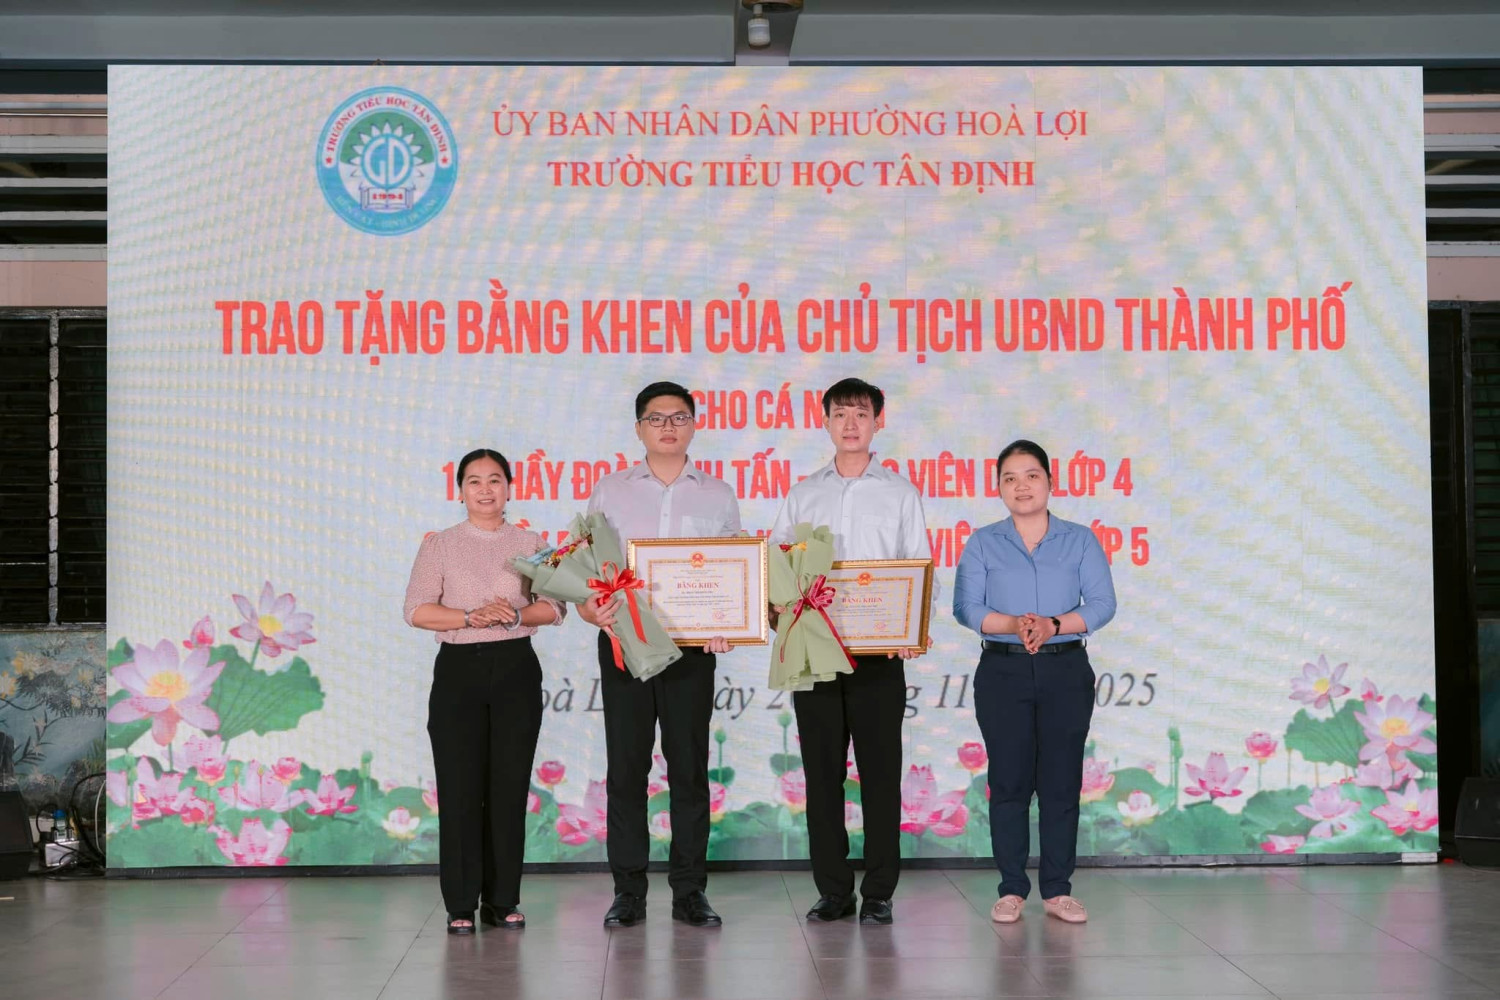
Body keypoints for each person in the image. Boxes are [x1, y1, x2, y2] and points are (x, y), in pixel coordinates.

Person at [579, 381, 741, 928]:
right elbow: (588, 570)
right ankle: (628, 891)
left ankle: (690, 892)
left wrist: (728, 624)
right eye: (656, 418)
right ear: (639, 428)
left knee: (689, 771)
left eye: (678, 417)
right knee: (627, 769)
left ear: (694, 424)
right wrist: (589, 610)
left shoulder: (718, 494)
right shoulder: (610, 491)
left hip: (692, 651)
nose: (668, 427)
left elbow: (732, 575)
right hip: (625, 645)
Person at [768, 377, 928, 925]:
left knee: (881, 775)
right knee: (821, 776)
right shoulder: (803, 493)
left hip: (878, 657)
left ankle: (879, 890)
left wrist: (911, 628)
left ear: (879, 420)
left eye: (861, 413)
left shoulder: (901, 493)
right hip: (814, 653)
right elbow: (778, 565)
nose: (851, 423)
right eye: (840, 414)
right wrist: (779, 609)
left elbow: (918, 567)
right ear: (826, 422)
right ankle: (833, 891)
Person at [952, 439, 1117, 925]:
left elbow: (1102, 604)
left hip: (1065, 667)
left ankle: (1057, 890)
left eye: (1031, 476)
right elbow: (966, 607)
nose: (1021, 486)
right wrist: (1015, 624)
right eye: (1010, 478)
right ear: (999, 487)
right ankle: (1011, 889)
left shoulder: (1080, 540)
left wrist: (1053, 625)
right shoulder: (983, 541)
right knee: (1008, 781)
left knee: (1061, 782)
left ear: (1049, 481)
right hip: (1002, 670)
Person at [403, 448, 566, 934]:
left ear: (510, 487)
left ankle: (502, 900)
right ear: (460, 490)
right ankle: (459, 904)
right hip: (459, 670)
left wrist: (515, 615)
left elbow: (555, 606)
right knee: (459, 789)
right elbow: (416, 610)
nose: (485, 489)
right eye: (474, 481)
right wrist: (471, 617)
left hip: (516, 667)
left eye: (495, 479)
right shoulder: (439, 545)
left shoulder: (533, 543)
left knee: (508, 787)